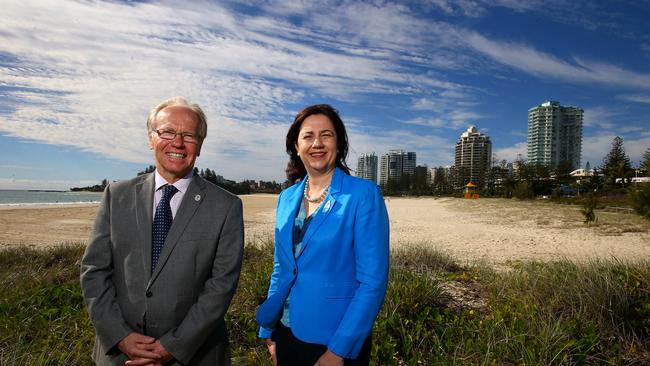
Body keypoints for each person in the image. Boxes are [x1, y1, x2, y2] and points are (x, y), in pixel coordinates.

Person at [81, 96, 244, 366]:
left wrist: (172, 346)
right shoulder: (116, 195)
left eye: (189, 135)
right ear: (150, 138)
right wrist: (120, 336)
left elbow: (222, 286)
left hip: (195, 356)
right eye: (167, 132)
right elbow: (94, 272)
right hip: (120, 355)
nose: (177, 143)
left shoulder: (226, 206)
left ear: (200, 145)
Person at [256, 104, 389, 366]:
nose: (317, 143)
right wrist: (268, 329)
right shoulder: (286, 198)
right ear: (296, 146)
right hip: (285, 332)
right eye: (308, 136)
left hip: (334, 339)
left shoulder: (363, 195)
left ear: (339, 144)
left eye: (326, 135)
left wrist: (339, 351)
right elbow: (281, 268)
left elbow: (373, 283)